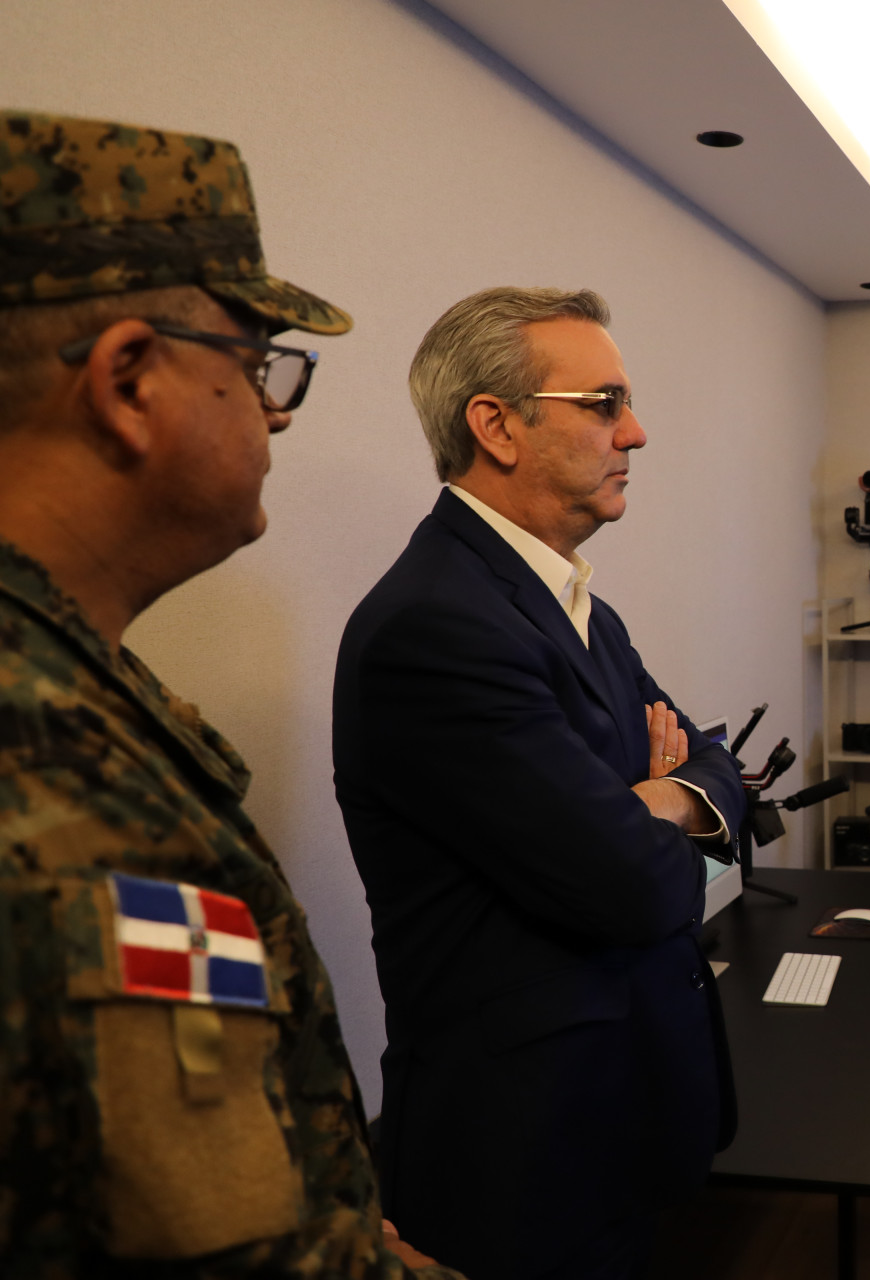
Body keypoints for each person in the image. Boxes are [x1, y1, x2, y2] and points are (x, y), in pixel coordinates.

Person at [0, 111, 454, 1275]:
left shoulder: (84, 689)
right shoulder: (56, 780)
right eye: (255, 367)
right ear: (130, 381)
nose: (276, 410)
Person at [332, 287, 746, 1280]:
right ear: (497, 425)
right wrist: (646, 809)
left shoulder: (577, 607)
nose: (634, 432)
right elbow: (635, 887)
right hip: (523, 1154)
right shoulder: (437, 626)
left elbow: (719, 764)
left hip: (619, 1109)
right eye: (604, 403)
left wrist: (659, 798)